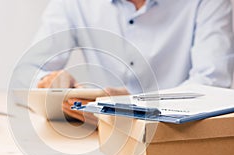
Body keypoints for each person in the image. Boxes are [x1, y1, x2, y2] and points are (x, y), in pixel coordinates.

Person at [25, 0, 234, 123]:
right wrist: (48, 82)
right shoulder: (74, 4)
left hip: (178, 139)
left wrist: (134, 103)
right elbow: (29, 68)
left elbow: (211, 84)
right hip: (97, 137)